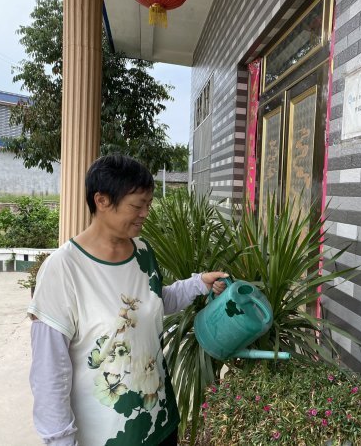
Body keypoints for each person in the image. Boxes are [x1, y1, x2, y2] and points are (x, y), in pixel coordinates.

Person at [28, 155, 227, 445]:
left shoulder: (143, 252)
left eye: (148, 204)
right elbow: (49, 373)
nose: (146, 213)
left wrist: (198, 284)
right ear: (102, 201)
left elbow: (154, 303)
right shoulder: (63, 269)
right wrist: (59, 440)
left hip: (160, 424)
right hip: (105, 436)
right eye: (137, 205)